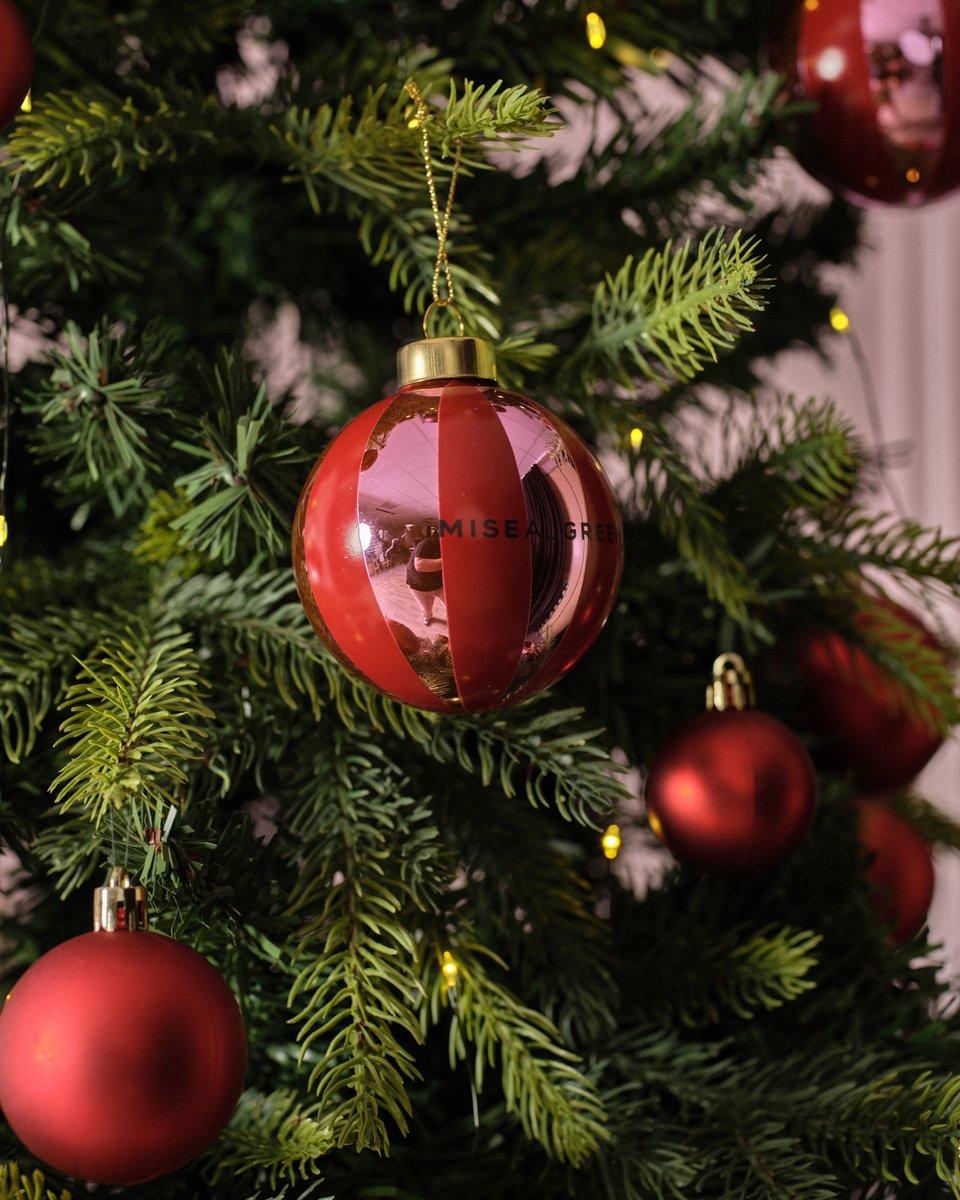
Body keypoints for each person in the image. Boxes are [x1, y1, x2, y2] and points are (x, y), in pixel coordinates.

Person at [406, 526, 444, 625]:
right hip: (420, 585)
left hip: (439, 582)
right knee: (427, 607)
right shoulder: (427, 544)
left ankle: (453, 615)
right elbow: (419, 565)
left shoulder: (448, 547)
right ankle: (427, 616)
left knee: (449, 602)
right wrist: (450, 560)